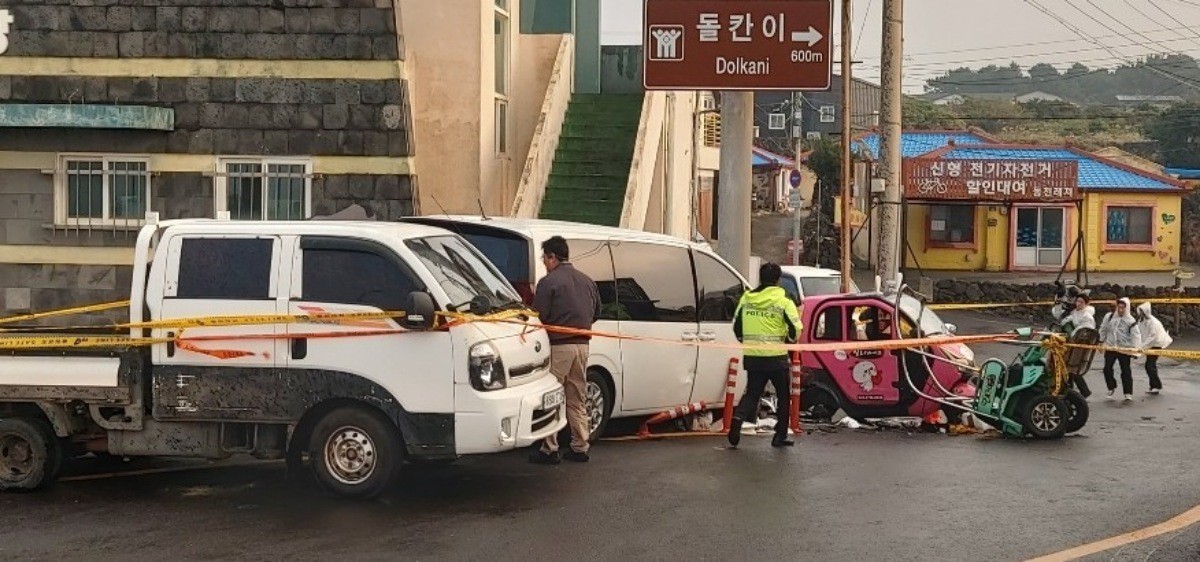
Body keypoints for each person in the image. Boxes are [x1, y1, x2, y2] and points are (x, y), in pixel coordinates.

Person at [528, 236, 601, 465]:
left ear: (552, 257)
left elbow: (539, 315)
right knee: (576, 396)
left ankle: (550, 448)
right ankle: (580, 446)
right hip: (583, 346)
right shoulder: (588, 281)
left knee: (552, 396)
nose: (544, 263)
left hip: (559, 346)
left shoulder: (549, 282)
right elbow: (596, 312)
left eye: (545, 258)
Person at [728, 262, 802, 449]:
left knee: (753, 392)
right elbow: (796, 328)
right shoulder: (784, 300)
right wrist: (789, 341)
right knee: (784, 396)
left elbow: (736, 325)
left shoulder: (747, 298)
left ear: (760, 278)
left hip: (753, 356)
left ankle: (737, 418)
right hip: (776, 357)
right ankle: (780, 436)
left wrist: (745, 342)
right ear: (778, 280)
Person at [1099, 297, 1142, 402]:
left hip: (1124, 348)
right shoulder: (1109, 317)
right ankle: (1111, 386)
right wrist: (1101, 341)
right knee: (1107, 368)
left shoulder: (1131, 321)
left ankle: (1128, 392)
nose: (1120, 310)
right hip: (1110, 346)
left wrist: (1135, 351)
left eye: (1123, 308)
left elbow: (1135, 336)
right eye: (1119, 307)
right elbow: (1103, 329)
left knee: (1125, 370)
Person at [1135, 302, 1172, 395]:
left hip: (1157, 344)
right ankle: (1154, 386)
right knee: (1150, 365)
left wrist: (1142, 346)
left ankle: (1156, 386)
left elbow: (1152, 336)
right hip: (1150, 344)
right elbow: (1139, 332)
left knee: (1150, 365)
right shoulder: (1141, 321)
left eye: (1142, 312)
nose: (1140, 314)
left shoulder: (1153, 322)